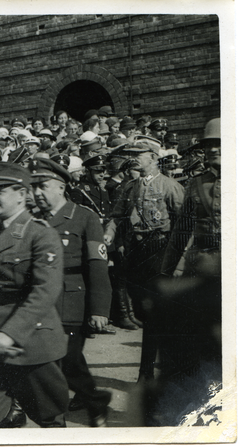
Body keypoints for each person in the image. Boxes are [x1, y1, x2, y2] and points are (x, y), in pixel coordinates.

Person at [0, 162, 69, 428]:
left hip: (30, 340)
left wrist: (9, 334)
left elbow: (45, 291)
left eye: (1, 190)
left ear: (21, 194)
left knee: (48, 417)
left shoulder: (40, 233)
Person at [30, 158, 112, 427]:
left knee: (69, 361)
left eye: (42, 186)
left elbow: (97, 267)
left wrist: (100, 309)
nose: (36, 193)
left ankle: (93, 401)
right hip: (40, 301)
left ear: (60, 186)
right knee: (48, 362)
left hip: (70, 301)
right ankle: (59, 416)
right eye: (33, 187)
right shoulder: (32, 219)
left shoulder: (84, 217)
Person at [153, 118, 221, 425]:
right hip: (202, 267)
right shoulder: (195, 183)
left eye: (219, 144)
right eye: (208, 146)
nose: (214, 150)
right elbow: (181, 232)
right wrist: (167, 272)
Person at [104, 140, 184, 383]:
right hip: (136, 250)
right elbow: (116, 216)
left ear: (153, 157)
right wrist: (109, 233)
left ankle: (147, 372)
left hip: (161, 249)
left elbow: (184, 223)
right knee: (140, 308)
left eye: (140, 154)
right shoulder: (130, 187)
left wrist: (178, 258)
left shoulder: (170, 186)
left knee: (153, 312)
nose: (135, 158)